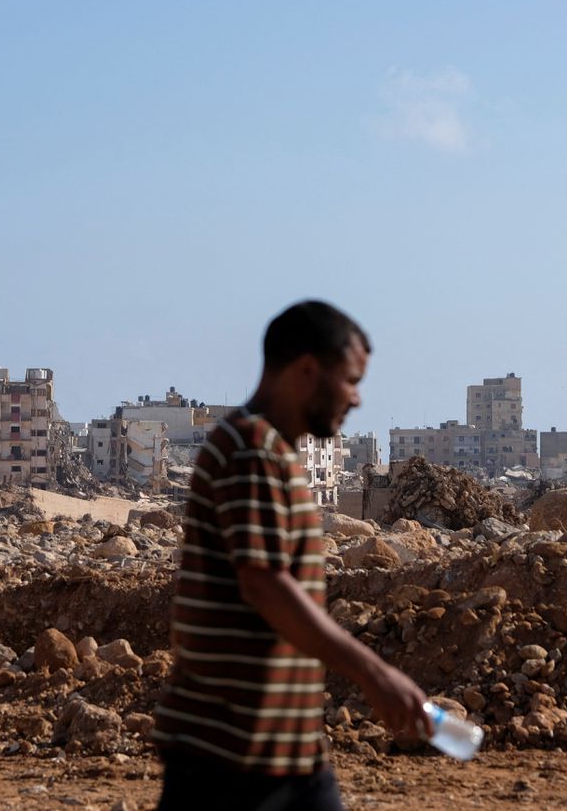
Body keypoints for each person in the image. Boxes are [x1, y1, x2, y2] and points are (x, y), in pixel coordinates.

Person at [152, 300, 431, 811]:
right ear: (307, 370)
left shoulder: (270, 451)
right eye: (350, 380)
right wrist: (375, 673)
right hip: (229, 757)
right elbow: (265, 584)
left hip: (279, 750)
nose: (357, 398)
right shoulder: (251, 449)